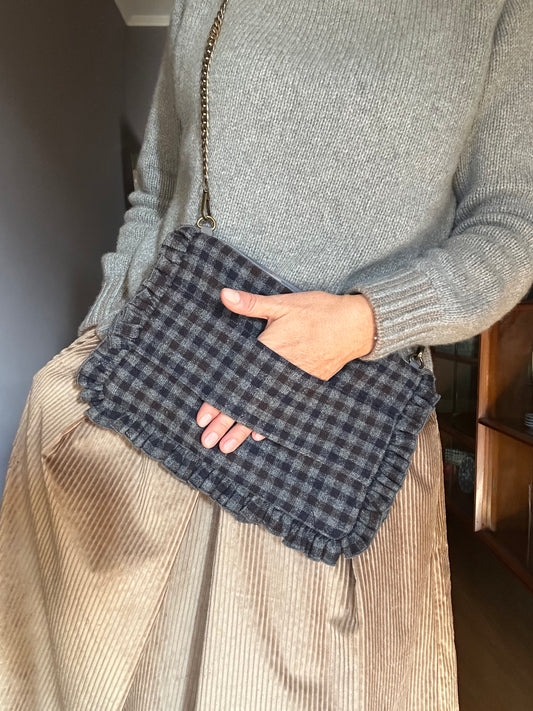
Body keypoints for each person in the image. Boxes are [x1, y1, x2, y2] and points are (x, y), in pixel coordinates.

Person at [1, 0, 532, 709]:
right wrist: (95, 337)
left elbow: (511, 226)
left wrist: (367, 320)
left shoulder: (495, 11)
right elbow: (158, 189)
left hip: (333, 445)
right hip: (151, 397)